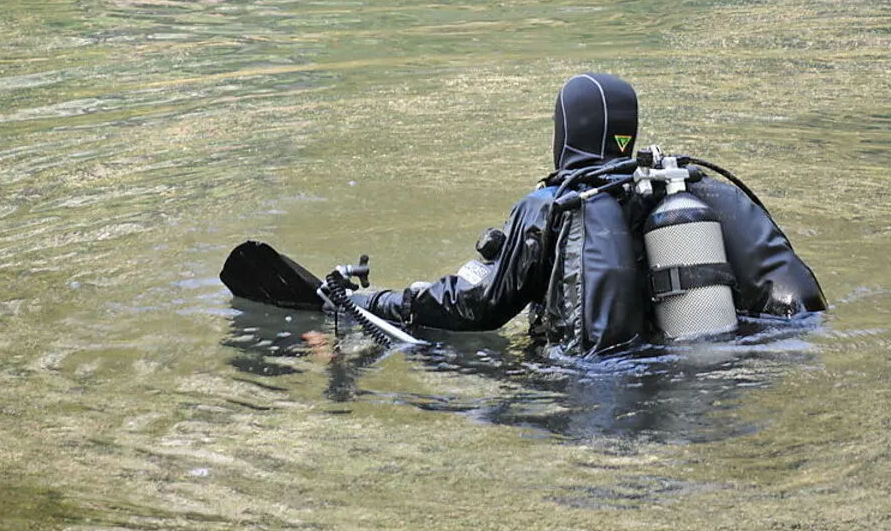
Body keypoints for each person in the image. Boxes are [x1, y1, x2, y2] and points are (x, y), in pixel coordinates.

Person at [348, 73, 826, 354]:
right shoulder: (687, 191)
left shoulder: (552, 205)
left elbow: (476, 308)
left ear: (566, 131)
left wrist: (375, 303)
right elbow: (798, 304)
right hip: (700, 366)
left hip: (588, 383)